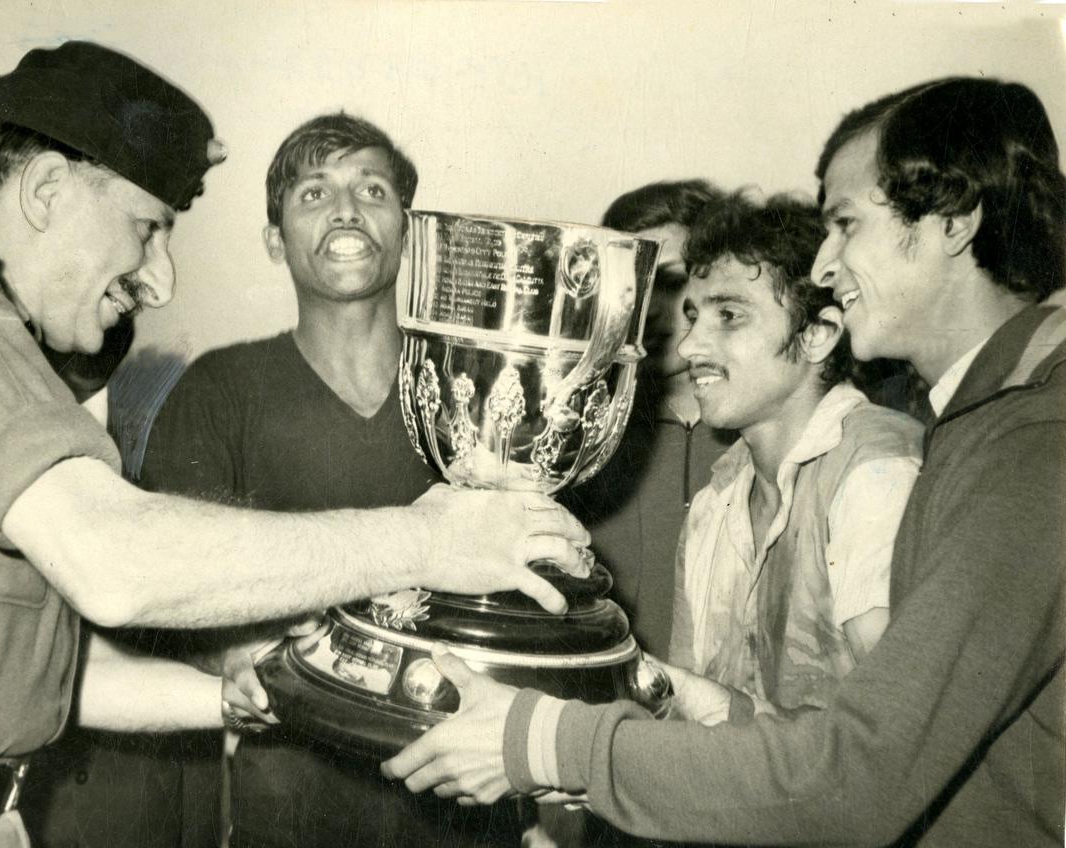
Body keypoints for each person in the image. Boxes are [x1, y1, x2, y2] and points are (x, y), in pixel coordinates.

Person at [0, 42, 588, 845]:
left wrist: (240, 692)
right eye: (147, 229)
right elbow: (118, 565)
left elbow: (46, 674)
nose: (160, 279)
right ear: (45, 190)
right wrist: (428, 540)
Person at [382, 76, 1065, 847]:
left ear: (952, 220)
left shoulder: (1031, 440)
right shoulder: (978, 424)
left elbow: (857, 780)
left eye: (845, 224)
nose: (828, 264)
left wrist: (543, 741)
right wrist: (704, 707)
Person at [135, 112, 530, 848]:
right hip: (294, 800)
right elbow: (168, 594)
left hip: (469, 795)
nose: (347, 208)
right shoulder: (219, 388)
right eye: (314, 193)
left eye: (371, 189)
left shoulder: (475, 386)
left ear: (407, 226)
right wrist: (233, 660)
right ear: (273, 240)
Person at [661, 191, 921, 725]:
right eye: (693, 316)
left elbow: (902, 736)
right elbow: (680, 721)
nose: (689, 347)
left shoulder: (875, 474)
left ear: (817, 336)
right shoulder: (715, 501)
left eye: (728, 315)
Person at [562, 180, 735, 660]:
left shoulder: (764, 428)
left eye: (673, 281)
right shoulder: (581, 433)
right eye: (633, 285)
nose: (649, 308)